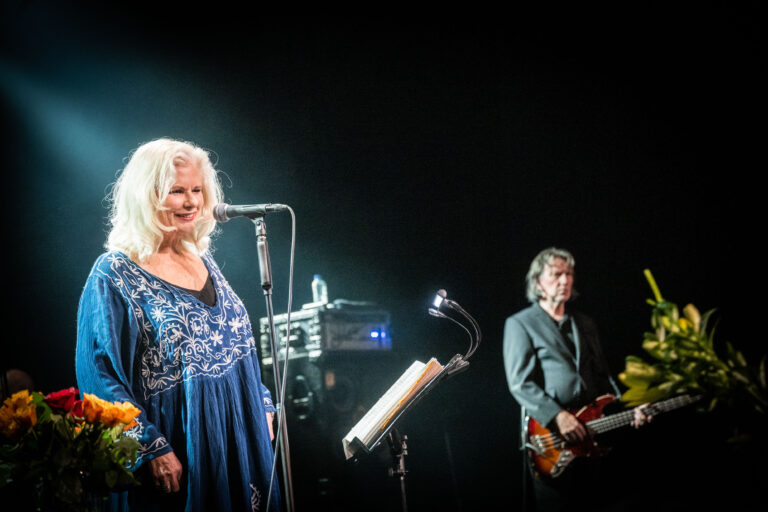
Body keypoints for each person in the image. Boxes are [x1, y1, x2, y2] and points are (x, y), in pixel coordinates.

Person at [75, 138, 280, 511]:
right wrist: (150, 448)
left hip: (240, 443)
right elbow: (99, 375)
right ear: (147, 196)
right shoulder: (114, 273)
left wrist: (262, 405)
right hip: (176, 456)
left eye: (197, 190)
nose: (192, 202)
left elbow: (232, 347)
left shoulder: (202, 260)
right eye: (177, 191)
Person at [503, 247, 648, 512]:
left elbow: (604, 377)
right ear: (537, 282)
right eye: (556, 274)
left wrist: (631, 408)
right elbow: (519, 383)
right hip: (550, 438)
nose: (565, 280)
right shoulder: (520, 323)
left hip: (591, 433)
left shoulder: (585, 323)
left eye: (568, 273)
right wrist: (557, 416)